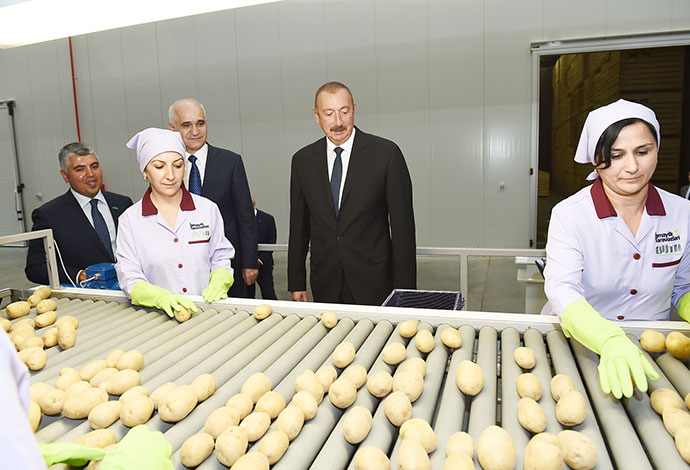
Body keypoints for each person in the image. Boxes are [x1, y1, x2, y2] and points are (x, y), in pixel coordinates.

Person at [543, 99, 690, 399]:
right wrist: (609, 339)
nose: (632, 167)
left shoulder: (682, 213)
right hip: (581, 342)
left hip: (651, 347)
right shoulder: (570, 214)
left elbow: (683, 286)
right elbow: (563, 290)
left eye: (643, 152)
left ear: (657, 150)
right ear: (596, 159)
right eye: (616, 155)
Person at [288, 81, 417, 305]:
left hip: (375, 282)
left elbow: (403, 229)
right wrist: (296, 280)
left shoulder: (386, 154)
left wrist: (405, 292)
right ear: (317, 116)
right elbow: (298, 226)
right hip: (326, 283)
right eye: (329, 114)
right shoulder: (302, 161)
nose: (338, 122)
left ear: (354, 110)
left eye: (344, 111)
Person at [115, 128, 235, 317]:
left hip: (207, 313)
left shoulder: (207, 209)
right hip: (156, 317)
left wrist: (222, 277)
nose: (170, 175)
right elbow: (129, 274)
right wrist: (159, 297)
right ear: (145, 171)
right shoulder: (130, 220)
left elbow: (220, 256)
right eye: (159, 166)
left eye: (177, 165)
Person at [168, 99, 258, 298]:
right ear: (172, 128)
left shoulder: (230, 162)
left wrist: (250, 262)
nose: (195, 131)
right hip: (182, 268)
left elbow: (245, 216)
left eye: (200, 123)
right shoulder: (166, 167)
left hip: (228, 265)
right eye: (186, 125)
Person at [25, 143, 133, 286]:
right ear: (65, 176)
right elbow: (35, 268)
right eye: (80, 169)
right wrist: (78, 275)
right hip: (85, 293)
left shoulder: (123, 204)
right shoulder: (49, 215)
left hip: (130, 287)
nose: (90, 174)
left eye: (94, 166)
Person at [247, 195, 277, 300]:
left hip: (264, 264)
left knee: (268, 293)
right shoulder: (239, 220)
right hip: (246, 265)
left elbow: (271, 243)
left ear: (253, 204)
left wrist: (260, 260)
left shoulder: (268, 219)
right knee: (248, 295)